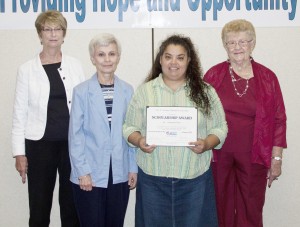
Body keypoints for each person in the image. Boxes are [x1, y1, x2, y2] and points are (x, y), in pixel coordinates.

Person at [123, 34, 228, 227]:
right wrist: (139, 140)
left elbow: (220, 127)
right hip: (153, 179)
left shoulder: (205, 91)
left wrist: (206, 144)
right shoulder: (145, 91)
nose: (174, 62)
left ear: (189, 61)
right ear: (160, 59)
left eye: (180, 57)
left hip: (194, 179)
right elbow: (129, 127)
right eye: (168, 56)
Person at [203, 19, 287, 227]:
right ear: (225, 46)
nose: (237, 47)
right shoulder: (213, 75)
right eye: (231, 42)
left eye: (243, 42)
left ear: (252, 43)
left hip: (254, 155)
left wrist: (276, 157)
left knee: (250, 207)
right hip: (218, 154)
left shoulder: (268, 77)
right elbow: (199, 113)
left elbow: (279, 119)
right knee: (219, 206)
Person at [11, 10, 85, 227]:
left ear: (64, 34)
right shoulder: (26, 70)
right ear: (40, 34)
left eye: (58, 29)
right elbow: (19, 114)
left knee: (72, 206)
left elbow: (83, 109)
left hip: (71, 146)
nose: (53, 34)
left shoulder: (75, 65)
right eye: (47, 29)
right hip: (39, 146)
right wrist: (19, 153)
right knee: (39, 207)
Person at [68, 33, 138, 227]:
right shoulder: (81, 91)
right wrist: (82, 171)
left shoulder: (127, 90)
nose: (107, 59)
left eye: (112, 54)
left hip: (119, 170)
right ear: (92, 58)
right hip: (89, 172)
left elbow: (131, 131)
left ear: (118, 57)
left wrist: (132, 167)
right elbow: (75, 135)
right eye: (101, 54)